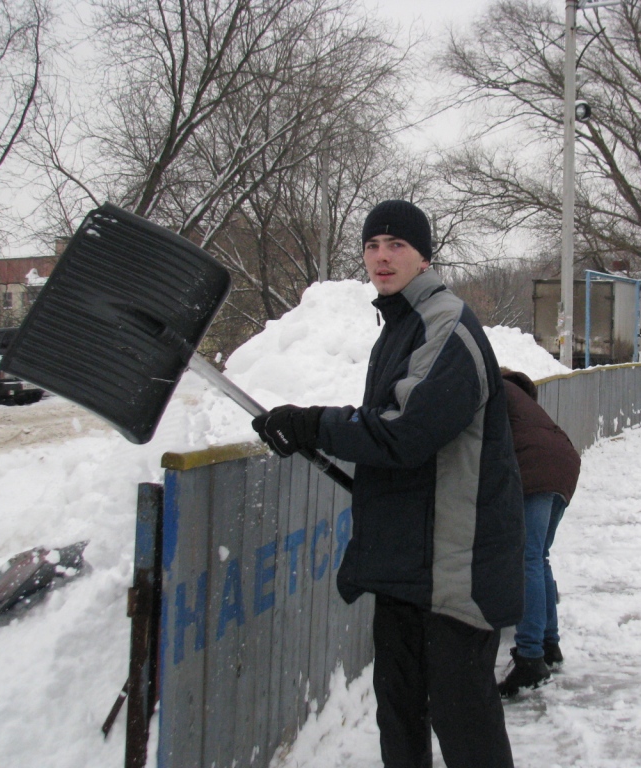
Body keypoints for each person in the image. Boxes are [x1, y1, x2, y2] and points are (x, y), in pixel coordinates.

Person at [252, 199, 524, 768]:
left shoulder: (445, 325)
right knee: (399, 715)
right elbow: (392, 428)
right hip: (407, 563)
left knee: (463, 720)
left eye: (396, 245)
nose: (382, 256)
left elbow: (406, 433)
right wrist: (317, 431)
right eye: (372, 245)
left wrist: (315, 422)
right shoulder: (400, 326)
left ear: (424, 257)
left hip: (456, 566)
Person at [497, 369, 581, 697]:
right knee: (538, 556)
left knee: (527, 557)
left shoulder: (491, 388)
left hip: (535, 467)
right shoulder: (521, 399)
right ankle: (549, 644)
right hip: (564, 464)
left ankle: (531, 657)